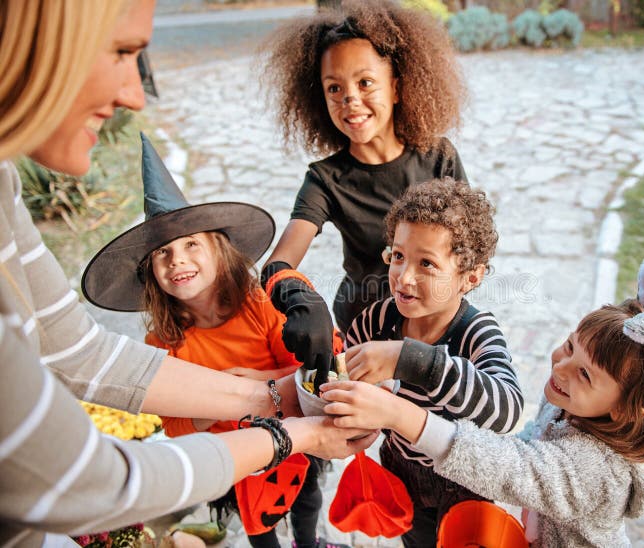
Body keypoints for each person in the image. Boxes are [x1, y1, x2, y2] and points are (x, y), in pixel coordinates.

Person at [0, 2, 375, 545]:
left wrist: (269, 396)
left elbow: (77, 352)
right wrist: (283, 430)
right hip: (244, 461)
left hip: (267, 447)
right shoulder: (165, 337)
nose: (135, 95)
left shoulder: (5, 184)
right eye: (124, 52)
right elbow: (84, 485)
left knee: (305, 509)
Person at [324, 244, 644, 546]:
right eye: (569, 347)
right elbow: (528, 446)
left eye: (585, 373)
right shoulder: (571, 403)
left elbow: (516, 467)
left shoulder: (601, 474)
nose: (560, 367)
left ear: (624, 412)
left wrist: (398, 414)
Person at [81, 133, 347, 548]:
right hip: (233, 453)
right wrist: (208, 406)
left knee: (307, 499)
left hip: (293, 431)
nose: (178, 261)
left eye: (190, 244)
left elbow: (301, 370)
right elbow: (175, 427)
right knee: (258, 526)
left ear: (219, 252)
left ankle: (309, 541)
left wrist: (247, 379)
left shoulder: (257, 304)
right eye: (162, 254)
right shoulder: (162, 341)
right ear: (151, 273)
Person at [256, 0, 469, 387]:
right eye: (334, 88)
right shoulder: (325, 179)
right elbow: (280, 261)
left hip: (437, 324)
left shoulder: (439, 157)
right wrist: (294, 292)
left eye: (365, 82)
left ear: (397, 87)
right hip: (364, 327)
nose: (349, 99)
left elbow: (468, 248)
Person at [326, 179, 524, 546]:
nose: (404, 277)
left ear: (470, 277)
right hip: (402, 471)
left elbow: (507, 409)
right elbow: (342, 371)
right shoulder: (377, 320)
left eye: (427, 263)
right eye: (398, 256)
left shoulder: (475, 332)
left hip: (465, 482)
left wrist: (412, 360)